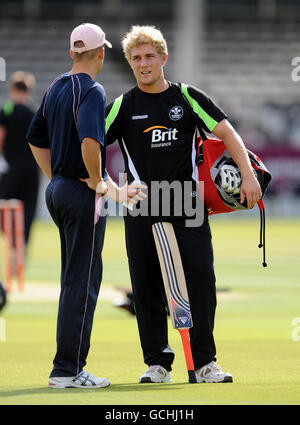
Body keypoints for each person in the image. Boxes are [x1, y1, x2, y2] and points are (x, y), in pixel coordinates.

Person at [105, 25, 262, 384]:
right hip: (142, 205)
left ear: (163, 57)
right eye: (136, 58)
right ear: (130, 63)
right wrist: (112, 189)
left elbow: (227, 133)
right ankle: (157, 363)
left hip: (187, 202)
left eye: (149, 56)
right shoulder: (122, 106)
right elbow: (90, 145)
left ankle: (206, 363)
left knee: (201, 280)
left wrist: (248, 175)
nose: (143, 64)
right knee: (146, 285)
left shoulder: (188, 97)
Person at [26, 23, 128, 389]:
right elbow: (90, 139)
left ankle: (66, 366)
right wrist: (98, 180)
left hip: (57, 190)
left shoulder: (55, 86)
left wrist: (57, 175)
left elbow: (35, 138)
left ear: (73, 52)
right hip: (82, 195)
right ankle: (68, 369)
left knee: (72, 279)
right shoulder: (92, 89)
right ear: (101, 53)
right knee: (82, 283)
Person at [0, 71, 39, 251]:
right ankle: (20, 249)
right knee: (28, 212)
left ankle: (10, 243)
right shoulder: (34, 113)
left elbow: (1, 136)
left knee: (4, 208)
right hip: (32, 170)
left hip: (11, 168)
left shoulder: (7, 109)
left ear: (14, 89)